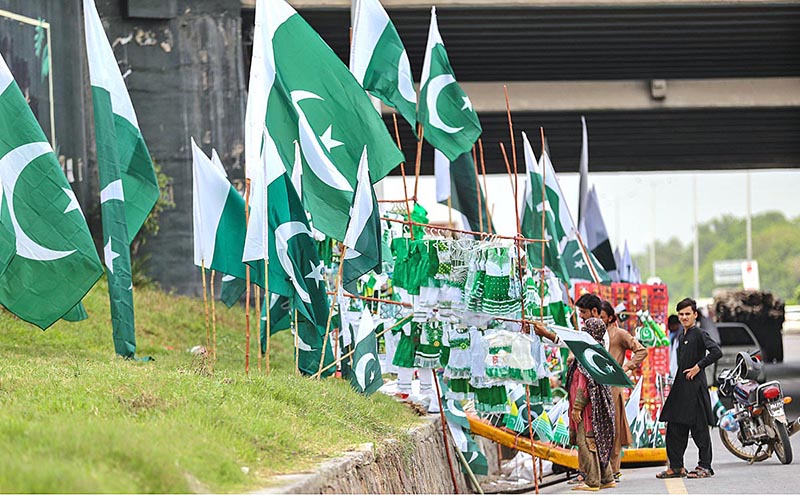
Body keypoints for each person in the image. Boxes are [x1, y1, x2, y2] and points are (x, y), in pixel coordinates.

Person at [657, 298, 722, 479]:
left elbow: (717, 352)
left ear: (695, 315)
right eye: (681, 314)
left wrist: (698, 366)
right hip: (681, 387)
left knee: (699, 428)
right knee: (674, 426)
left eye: (687, 314)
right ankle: (676, 467)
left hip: (696, 388)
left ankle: (705, 466)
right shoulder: (681, 335)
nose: (684, 317)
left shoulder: (700, 334)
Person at [566, 317, 616, 492]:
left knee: (586, 442)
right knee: (597, 441)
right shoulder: (599, 351)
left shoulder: (586, 354)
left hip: (587, 408)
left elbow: (583, 384)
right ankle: (607, 477)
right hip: (597, 406)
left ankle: (593, 481)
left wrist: (577, 407)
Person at [600, 301, 647, 481]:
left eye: (602, 317)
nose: (599, 320)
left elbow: (641, 350)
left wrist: (626, 367)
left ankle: (613, 469)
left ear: (610, 317)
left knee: (614, 428)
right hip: (596, 386)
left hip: (613, 387)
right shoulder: (593, 334)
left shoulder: (619, 334)